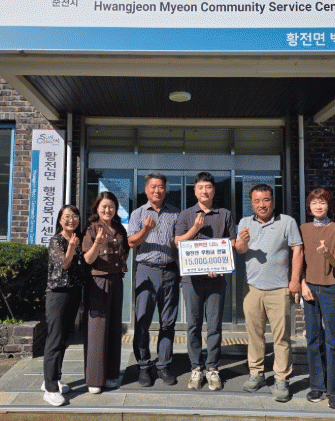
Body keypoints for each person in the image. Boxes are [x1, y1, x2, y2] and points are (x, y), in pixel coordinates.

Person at [234, 183, 303, 402]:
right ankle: (256, 374)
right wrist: (242, 242)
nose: (261, 205)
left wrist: (295, 280)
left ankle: (282, 379)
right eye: (256, 201)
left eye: (265, 200)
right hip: (252, 288)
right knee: (254, 335)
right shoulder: (245, 222)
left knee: (281, 337)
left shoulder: (287, 222)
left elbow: (297, 250)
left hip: (279, 289)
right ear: (251, 203)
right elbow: (240, 250)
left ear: (272, 201)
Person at [174, 172, 236, 391]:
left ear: (214, 190)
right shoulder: (186, 214)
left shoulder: (225, 214)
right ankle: (196, 367)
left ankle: (212, 368)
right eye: (200, 187)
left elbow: (232, 243)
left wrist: (221, 265)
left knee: (214, 324)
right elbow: (178, 242)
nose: (204, 191)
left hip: (216, 279)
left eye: (208, 187)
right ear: (195, 191)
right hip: (191, 280)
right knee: (193, 324)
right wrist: (195, 229)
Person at [128, 173, 180, 387]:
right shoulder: (138, 213)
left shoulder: (175, 213)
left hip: (170, 271)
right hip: (146, 271)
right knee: (143, 321)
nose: (157, 190)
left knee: (168, 322)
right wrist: (146, 230)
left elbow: (180, 242)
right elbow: (132, 242)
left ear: (165, 189)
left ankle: (163, 365)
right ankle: (143, 366)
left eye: (160, 186)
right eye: (153, 186)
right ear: (146, 189)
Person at [300, 188, 335, 410]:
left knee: (334, 341)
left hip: (332, 289)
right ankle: (317, 386)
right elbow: (299, 261)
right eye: (314, 203)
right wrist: (302, 284)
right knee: (313, 339)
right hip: (309, 288)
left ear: (329, 206)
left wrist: (327, 253)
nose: (318, 206)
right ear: (309, 207)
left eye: (322, 202)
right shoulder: (303, 229)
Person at [82, 191, 129, 394]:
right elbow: (88, 259)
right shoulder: (92, 228)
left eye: (111, 207)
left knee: (114, 327)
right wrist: (97, 244)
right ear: (97, 208)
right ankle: (94, 379)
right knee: (97, 329)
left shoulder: (119, 228)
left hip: (117, 280)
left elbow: (125, 252)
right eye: (104, 207)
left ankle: (111, 375)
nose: (107, 210)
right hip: (98, 281)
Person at [42, 205, 86, 406]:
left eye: (75, 216)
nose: (71, 220)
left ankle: (53, 379)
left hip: (73, 293)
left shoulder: (76, 239)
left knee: (65, 338)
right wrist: (72, 247)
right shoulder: (57, 241)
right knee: (55, 339)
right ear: (60, 220)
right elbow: (64, 265)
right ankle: (50, 390)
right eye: (67, 216)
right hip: (58, 294)